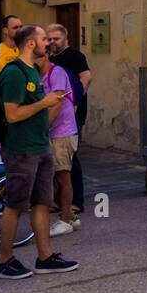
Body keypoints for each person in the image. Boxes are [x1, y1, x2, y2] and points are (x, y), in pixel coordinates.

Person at [0, 24, 79, 280]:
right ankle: (5, 260)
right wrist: (45, 102)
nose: (48, 43)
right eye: (43, 39)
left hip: (41, 145)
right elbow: (12, 114)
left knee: (42, 202)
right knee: (15, 205)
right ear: (31, 44)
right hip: (22, 148)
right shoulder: (14, 73)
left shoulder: (32, 71)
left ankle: (45, 257)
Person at [45, 24, 91, 219]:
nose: (53, 42)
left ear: (65, 39)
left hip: (72, 114)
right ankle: (58, 201)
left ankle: (76, 202)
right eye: (50, 39)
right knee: (56, 159)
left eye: (56, 38)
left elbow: (86, 77)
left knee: (71, 157)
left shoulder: (74, 56)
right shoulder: (50, 58)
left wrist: (75, 101)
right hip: (55, 115)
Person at [38, 47, 79, 236]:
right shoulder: (37, 75)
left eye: (38, 56)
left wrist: (41, 129)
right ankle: (70, 215)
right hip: (52, 132)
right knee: (55, 176)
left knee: (63, 176)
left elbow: (56, 103)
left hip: (62, 132)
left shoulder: (57, 73)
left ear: (46, 56)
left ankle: (65, 220)